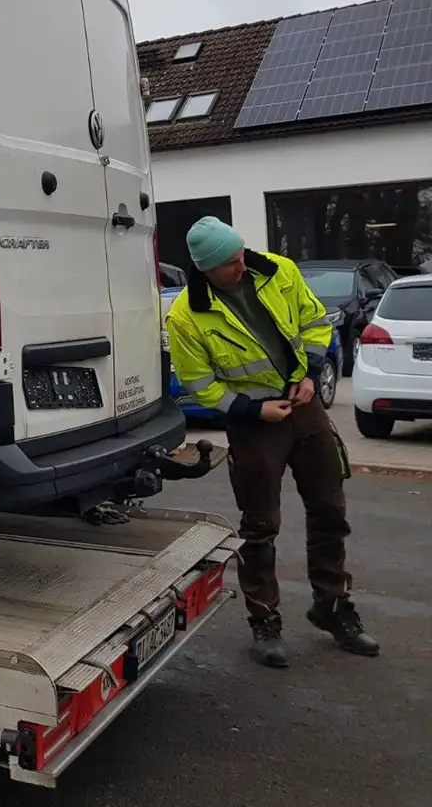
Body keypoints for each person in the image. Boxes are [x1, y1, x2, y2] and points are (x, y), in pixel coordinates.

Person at [165, 217, 379, 668]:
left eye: (241, 255)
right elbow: (198, 383)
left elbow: (315, 321)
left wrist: (309, 371)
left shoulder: (278, 270)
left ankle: (333, 608)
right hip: (254, 423)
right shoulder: (186, 315)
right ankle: (265, 622)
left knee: (329, 510)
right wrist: (250, 410)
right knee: (259, 526)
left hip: (304, 406)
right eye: (230, 264)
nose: (241, 266)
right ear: (206, 270)